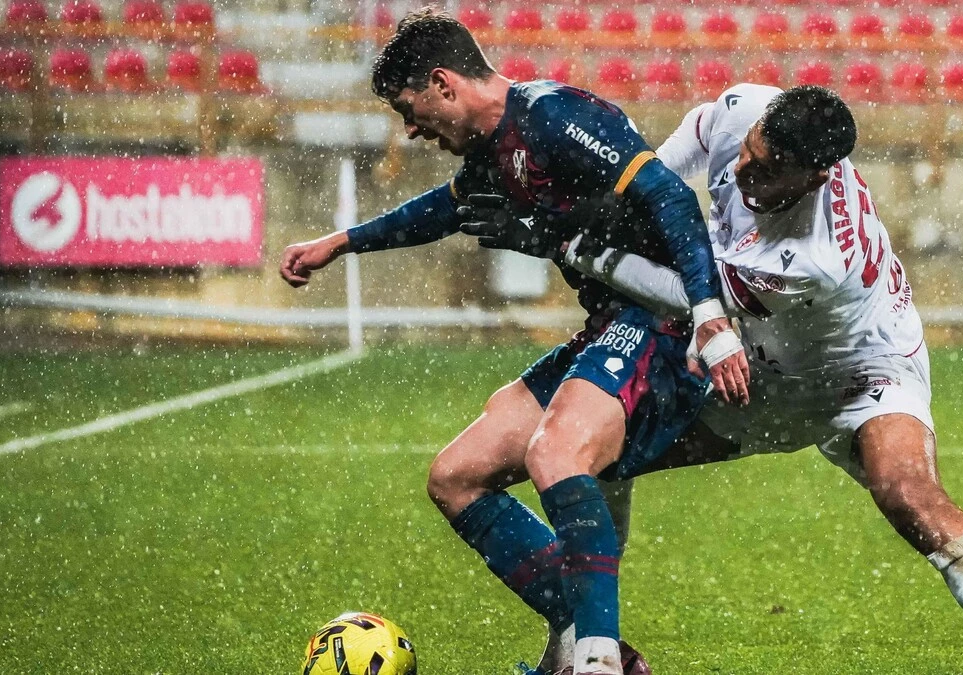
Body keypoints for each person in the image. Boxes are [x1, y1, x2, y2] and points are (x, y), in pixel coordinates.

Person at [514, 83, 963, 674]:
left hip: (860, 368)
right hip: (764, 370)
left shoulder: (812, 255)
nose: (743, 170)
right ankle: (576, 653)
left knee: (910, 496)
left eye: (767, 170)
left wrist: (583, 250)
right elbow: (700, 133)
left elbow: (693, 296)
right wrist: (629, 203)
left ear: (816, 177)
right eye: (749, 149)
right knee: (603, 454)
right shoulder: (747, 109)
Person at [277, 10, 750, 675]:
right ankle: (581, 631)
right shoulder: (489, 151)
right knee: (456, 478)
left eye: (410, 110)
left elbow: (669, 197)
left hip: (659, 321)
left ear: (443, 84)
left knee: (556, 452)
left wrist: (707, 314)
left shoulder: (554, 116)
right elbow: (444, 209)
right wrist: (341, 242)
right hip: (608, 324)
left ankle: (596, 661)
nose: (410, 129)